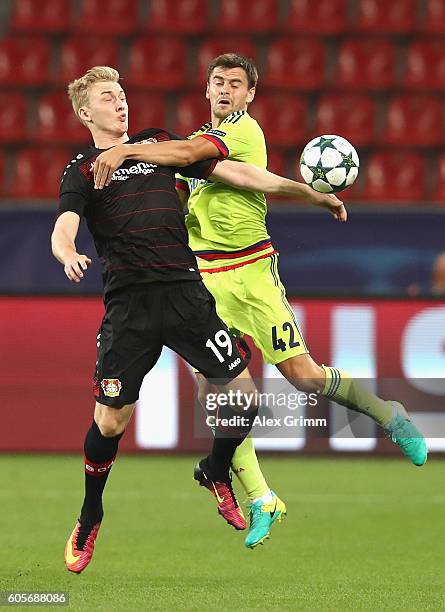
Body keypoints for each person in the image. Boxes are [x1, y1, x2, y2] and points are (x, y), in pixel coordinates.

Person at [93, 54, 428, 550]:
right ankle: (260, 497)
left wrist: (128, 151)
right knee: (222, 393)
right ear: (206, 89)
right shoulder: (195, 140)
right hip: (204, 277)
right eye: (217, 82)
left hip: (251, 272)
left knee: (303, 375)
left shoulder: (241, 133)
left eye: (235, 84)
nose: (225, 90)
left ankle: (387, 413)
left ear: (250, 95)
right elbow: (186, 186)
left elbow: (193, 157)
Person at [53, 65, 346, 573]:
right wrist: (66, 253)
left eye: (122, 94)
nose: (120, 103)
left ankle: (215, 469)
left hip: (187, 296)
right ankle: (90, 513)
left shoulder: (159, 147)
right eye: (107, 97)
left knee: (245, 398)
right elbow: (64, 225)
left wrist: (310, 194)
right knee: (110, 419)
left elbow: (240, 173)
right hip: (130, 308)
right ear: (86, 112)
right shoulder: (81, 169)